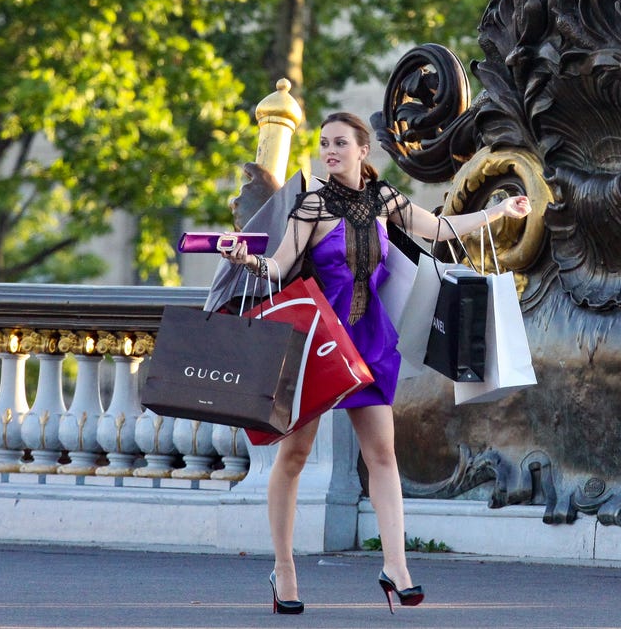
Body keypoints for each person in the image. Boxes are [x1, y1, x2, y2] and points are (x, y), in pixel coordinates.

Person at [220, 111, 531, 615]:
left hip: (370, 343)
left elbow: (440, 227)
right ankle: (284, 569)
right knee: (294, 456)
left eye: (340, 143)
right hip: (319, 346)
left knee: (382, 455)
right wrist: (245, 260)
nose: (330, 151)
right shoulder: (312, 206)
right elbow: (277, 266)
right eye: (324, 144)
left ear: (363, 150)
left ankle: (396, 566)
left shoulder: (384, 199)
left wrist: (498, 212)